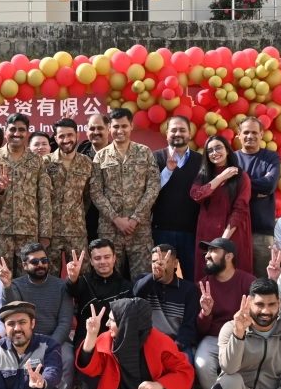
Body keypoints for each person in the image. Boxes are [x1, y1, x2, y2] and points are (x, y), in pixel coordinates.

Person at [0, 242, 75, 389]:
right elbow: (13, 314)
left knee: (67, 360)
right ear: (24, 265)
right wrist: (7, 286)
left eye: (44, 260)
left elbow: (65, 321)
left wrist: (49, 346)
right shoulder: (16, 285)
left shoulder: (61, 286)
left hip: (57, 339)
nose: (41, 264)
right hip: (26, 340)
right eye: (35, 262)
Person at [134, 245, 202, 389]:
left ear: (175, 263)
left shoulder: (188, 289)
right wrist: (154, 277)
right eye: (155, 261)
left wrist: (176, 346)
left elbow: (189, 325)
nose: (159, 265)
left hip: (177, 343)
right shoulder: (144, 281)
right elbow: (136, 295)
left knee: (186, 368)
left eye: (164, 261)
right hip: (148, 343)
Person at [90, 108, 161, 280]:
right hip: (110, 229)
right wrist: (116, 219)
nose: (119, 130)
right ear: (109, 128)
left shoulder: (144, 152)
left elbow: (153, 187)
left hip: (139, 230)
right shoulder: (101, 156)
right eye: (115, 127)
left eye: (124, 126)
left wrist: (135, 218)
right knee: (108, 278)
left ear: (131, 126)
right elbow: (95, 191)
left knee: (143, 279)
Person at [68, 239, 134, 389]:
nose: (103, 261)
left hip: (117, 340)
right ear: (91, 261)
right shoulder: (84, 281)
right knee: (88, 369)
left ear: (114, 258)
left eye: (107, 257)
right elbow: (72, 289)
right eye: (97, 258)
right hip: (88, 340)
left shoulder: (126, 286)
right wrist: (73, 277)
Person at [0, 113, 52, 278]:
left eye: (21, 130)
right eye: (13, 129)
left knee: (28, 278)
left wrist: (45, 233)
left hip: (29, 231)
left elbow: (44, 198)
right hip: (0, 231)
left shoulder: (36, 160)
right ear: (5, 131)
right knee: (0, 277)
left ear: (27, 133)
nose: (17, 133)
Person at [192, 238, 256, 389]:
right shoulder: (202, 285)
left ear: (228, 257)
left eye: (213, 251)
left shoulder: (248, 282)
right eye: (207, 252)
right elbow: (200, 330)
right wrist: (206, 313)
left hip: (243, 336)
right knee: (202, 364)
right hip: (213, 338)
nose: (207, 256)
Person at [191, 134, 252, 280]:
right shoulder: (203, 176)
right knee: (207, 276)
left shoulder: (241, 177)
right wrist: (221, 177)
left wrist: (222, 242)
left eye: (218, 148)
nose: (214, 153)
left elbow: (240, 210)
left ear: (227, 150)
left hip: (231, 234)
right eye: (210, 150)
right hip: (206, 235)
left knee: (232, 275)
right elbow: (196, 195)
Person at [151, 116, 204, 281]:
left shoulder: (201, 160)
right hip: (161, 230)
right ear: (167, 133)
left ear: (190, 133)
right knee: (162, 278)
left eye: (182, 130)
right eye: (173, 130)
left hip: (192, 232)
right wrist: (168, 171)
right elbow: (150, 191)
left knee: (193, 279)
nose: (178, 133)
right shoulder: (154, 157)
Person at [43, 118, 93, 278]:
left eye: (70, 135)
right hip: (50, 232)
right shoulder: (45, 163)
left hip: (76, 231)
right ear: (55, 138)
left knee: (82, 276)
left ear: (77, 135)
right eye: (61, 136)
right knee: (49, 277)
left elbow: (88, 196)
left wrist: (76, 214)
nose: (66, 140)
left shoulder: (86, 163)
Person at [234, 117, 281, 278]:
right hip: (235, 231)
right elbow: (228, 189)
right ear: (239, 134)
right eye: (246, 132)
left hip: (262, 234)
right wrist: (256, 191)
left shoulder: (271, 157)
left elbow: (269, 185)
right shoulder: (231, 159)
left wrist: (241, 186)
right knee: (238, 279)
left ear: (261, 134)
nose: (250, 136)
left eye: (255, 132)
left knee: (264, 282)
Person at [77, 112, 110, 244]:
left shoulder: (118, 154)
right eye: (92, 128)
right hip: (84, 220)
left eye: (100, 128)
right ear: (86, 131)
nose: (96, 132)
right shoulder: (79, 152)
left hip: (110, 221)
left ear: (108, 129)